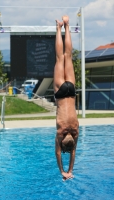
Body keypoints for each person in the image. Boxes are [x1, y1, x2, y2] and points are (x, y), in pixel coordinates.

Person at [54, 15, 79, 181]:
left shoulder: (75, 131)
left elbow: (73, 152)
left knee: (68, 56)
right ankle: (58, 27)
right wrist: (63, 171)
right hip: (61, 94)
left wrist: (70, 169)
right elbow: (58, 153)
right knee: (59, 57)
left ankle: (67, 25)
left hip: (71, 91)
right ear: (63, 141)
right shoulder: (60, 132)